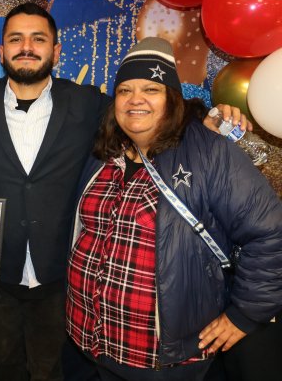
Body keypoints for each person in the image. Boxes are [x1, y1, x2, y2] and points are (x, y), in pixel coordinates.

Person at [0, 3, 251, 381]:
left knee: (51, 372)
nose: (26, 47)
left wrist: (204, 117)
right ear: (2, 51)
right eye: (16, 39)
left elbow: (145, 111)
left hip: (60, 278)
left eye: (38, 39)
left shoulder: (87, 103)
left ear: (55, 51)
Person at [65, 37, 282, 381]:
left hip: (164, 360)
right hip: (94, 343)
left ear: (171, 98)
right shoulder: (103, 154)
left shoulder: (209, 152)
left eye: (151, 89)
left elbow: (271, 233)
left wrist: (245, 314)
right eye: (124, 90)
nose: (135, 99)